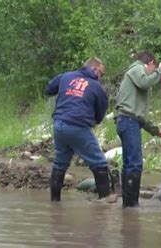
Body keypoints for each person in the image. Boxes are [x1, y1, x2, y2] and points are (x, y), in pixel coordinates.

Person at [46, 57, 113, 202]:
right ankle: (105, 203)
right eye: (101, 73)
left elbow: (49, 88)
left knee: (60, 163)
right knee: (99, 162)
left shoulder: (66, 76)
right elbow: (100, 114)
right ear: (94, 69)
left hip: (59, 124)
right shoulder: (96, 87)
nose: (101, 77)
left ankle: (54, 203)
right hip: (78, 126)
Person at [115, 51, 161, 207]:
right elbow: (145, 82)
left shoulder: (134, 82)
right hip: (128, 121)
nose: (153, 73)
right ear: (150, 63)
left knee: (128, 163)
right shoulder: (137, 68)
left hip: (127, 121)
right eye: (153, 68)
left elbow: (139, 115)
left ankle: (127, 204)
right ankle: (131, 205)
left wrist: (155, 130)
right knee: (135, 164)